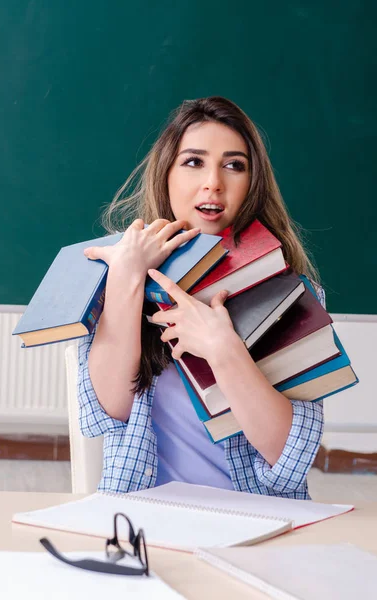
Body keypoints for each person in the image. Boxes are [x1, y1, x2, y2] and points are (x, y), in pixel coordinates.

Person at [78, 96, 325, 499]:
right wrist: (126, 278)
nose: (214, 182)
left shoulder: (291, 292)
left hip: (257, 523)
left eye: (234, 165)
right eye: (193, 162)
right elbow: (108, 413)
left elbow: (290, 461)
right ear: (167, 175)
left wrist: (223, 349)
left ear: (252, 183)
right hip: (145, 518)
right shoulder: (116, 276)